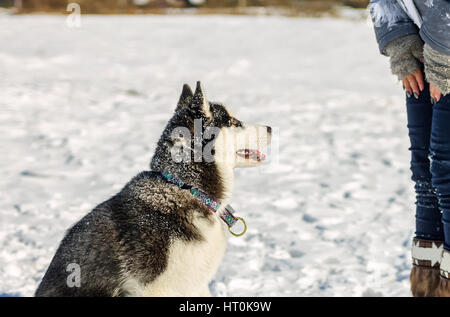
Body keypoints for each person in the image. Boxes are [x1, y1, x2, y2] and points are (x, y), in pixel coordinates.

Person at [369, 0, 450, 296]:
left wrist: (443, 57)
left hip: (446, 48)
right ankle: (428, 283)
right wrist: (401, 43)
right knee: (425, 171)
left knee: (445, 170)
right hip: (423, 46)